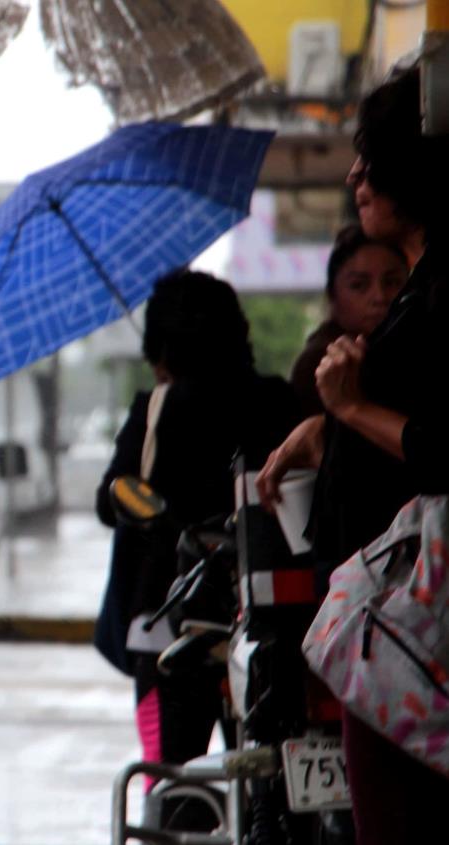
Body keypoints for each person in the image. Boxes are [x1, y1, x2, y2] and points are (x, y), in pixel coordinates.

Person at [256, 65, 449, 844]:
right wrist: (325, 428)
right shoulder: (420, 288)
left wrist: (350, 409)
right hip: (394, 631)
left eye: (371, 158)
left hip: (416, 636)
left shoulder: (441, 293)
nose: (353, 176)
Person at [95, 270, 299, 791]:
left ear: (161, 342)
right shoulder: (278, 401)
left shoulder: (156, 409)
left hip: (169, 624)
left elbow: (111, 498)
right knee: (267, 781)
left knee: (173, 781)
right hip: (264, 618)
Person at [289, 224, 408, 416]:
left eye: (392, 282)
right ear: (332, 295)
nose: (379, 297)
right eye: (359, 285)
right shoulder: (321, 364)